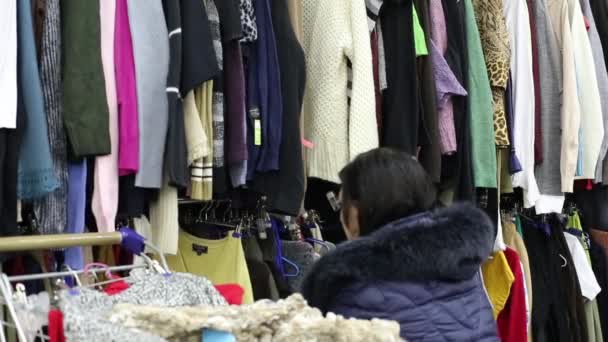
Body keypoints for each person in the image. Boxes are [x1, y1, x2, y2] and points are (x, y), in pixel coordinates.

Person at [301, 148, 499, 341]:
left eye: (341, 204)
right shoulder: (463, 268)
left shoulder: (354, 290)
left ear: (358, 209)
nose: (340, 215)